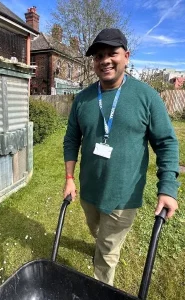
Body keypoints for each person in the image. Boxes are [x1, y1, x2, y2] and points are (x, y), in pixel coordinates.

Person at [63, 28, 180, 286]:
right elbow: (72, 139)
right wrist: (70, 178)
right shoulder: (83, 99)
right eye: (98, 56)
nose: (104, 60)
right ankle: (103, 244)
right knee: (97, 232)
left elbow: (166, 143)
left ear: (126, 56)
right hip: (89, 192)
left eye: (112, 53)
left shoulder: (146, 96)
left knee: (106, 252)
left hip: (123, 195)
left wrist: (168, 188)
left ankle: (101, 289)